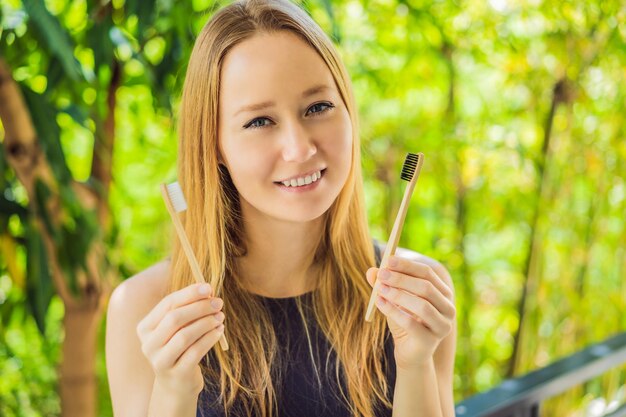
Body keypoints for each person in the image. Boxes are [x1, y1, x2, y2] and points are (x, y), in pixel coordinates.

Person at [105, 1, 457, 416]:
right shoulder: (142, 308)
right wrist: (174, 391)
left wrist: (415, 365)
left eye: (318, 107)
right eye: (259, 121)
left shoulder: (418, 296)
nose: (300, 148)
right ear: (214, 144)